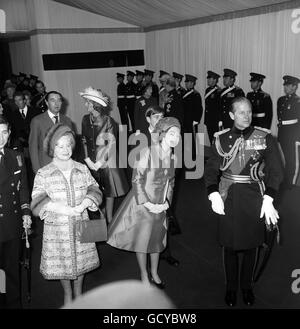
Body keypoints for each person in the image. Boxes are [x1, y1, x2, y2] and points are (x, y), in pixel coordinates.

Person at [204, 97, 283, 307]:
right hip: (227, 196)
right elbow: (212, 168)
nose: (246, 116)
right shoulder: (221, 139)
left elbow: (276, 171)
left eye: (248, 112)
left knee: (252, 245)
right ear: (231, 115)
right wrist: (212, 192)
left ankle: (246, 286)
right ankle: (231, 287)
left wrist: (269, 197)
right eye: (241, 112)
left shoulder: (264, 138)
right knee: (229, 246)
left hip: (254, 195)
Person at [30, 123, 102, 305]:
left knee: (82, 261)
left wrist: (86, 202)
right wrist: (61, 209)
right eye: (59, 145)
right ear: (52, 148)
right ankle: (68, 294)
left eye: (68, 145)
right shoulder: (43, 173)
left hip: (82, 222)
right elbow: (37, 201)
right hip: (58, 228)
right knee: (63, 263)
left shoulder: (82, 168)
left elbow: (95, 188)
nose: (65, 149)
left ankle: (79, 293)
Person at [107, 117, 181, 288]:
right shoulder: (147, 152)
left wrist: (166, 203)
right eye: (171, 133)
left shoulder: (174, 157)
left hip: (161, 205)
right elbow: (137, 180)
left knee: (156, 241)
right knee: (142, 241)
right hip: (143, 205)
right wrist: (149, 204)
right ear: (161, 134)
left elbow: (171, 183)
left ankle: (155, 272)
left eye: (178, 134)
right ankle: (144, 273)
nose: (175, 137)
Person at [80, 87, 129, 223]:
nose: (85, 105)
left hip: (107, 161)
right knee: (94, 189)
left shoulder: (108, 121)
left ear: (95, 105)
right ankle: (100, 216)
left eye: (88, 102)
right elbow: (83, 140)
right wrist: (87, 159)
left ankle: (110, 218)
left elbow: (111, 144)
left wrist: (100, 163)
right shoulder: (84, 119)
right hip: (90, 160)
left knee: (109, 191)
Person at [0, 115, 32, 308]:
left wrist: (26, 212)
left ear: (9, 134)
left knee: (12, 271)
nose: (0, 138)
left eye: (4, 132)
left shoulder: (16, 156)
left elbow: (23, 189)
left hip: (12, 223)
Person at [29, 90, 73, 173]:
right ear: (46, 102)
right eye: (53, 100)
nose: (56, 103)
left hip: (65, 166)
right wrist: (37, 170)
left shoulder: (67, 121)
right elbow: (33, 147)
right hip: (45, 166)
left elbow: (71, 145)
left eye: (59, 100)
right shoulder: (37, 121)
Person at [277, 75, 300, 188]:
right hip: (282, 134)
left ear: (294, 87)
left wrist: (298, 138)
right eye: (284, 85)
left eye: (288, 85)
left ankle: (292, 184)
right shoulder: (281, 100)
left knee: (293, 162)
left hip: (293, 136)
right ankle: (285, 182)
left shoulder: (298, 101)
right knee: (284, 160)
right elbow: (280, 118)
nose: (285, 87)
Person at [182, 74, 203, 159]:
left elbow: (199, 108)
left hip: (192, 121)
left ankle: (194, 156)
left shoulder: (195, 94)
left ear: (192, 83)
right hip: (185, 120)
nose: (186, 84)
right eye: (186, 82)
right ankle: (188, 154)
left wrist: (196, 120)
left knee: (193, 139)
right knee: (186, 138)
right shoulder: (184, 93)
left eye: (188, 82)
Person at [204, 71, 222, 144]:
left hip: (215, 120)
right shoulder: (207, 90)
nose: (208, 80)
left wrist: (220, 120)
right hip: (209, 119)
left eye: (210, 79)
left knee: (217, 140)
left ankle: (217, 155)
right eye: (208, 78)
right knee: (211, 139)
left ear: (215, 80)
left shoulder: (219, 91)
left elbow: (220, 107)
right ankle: (213, 153)